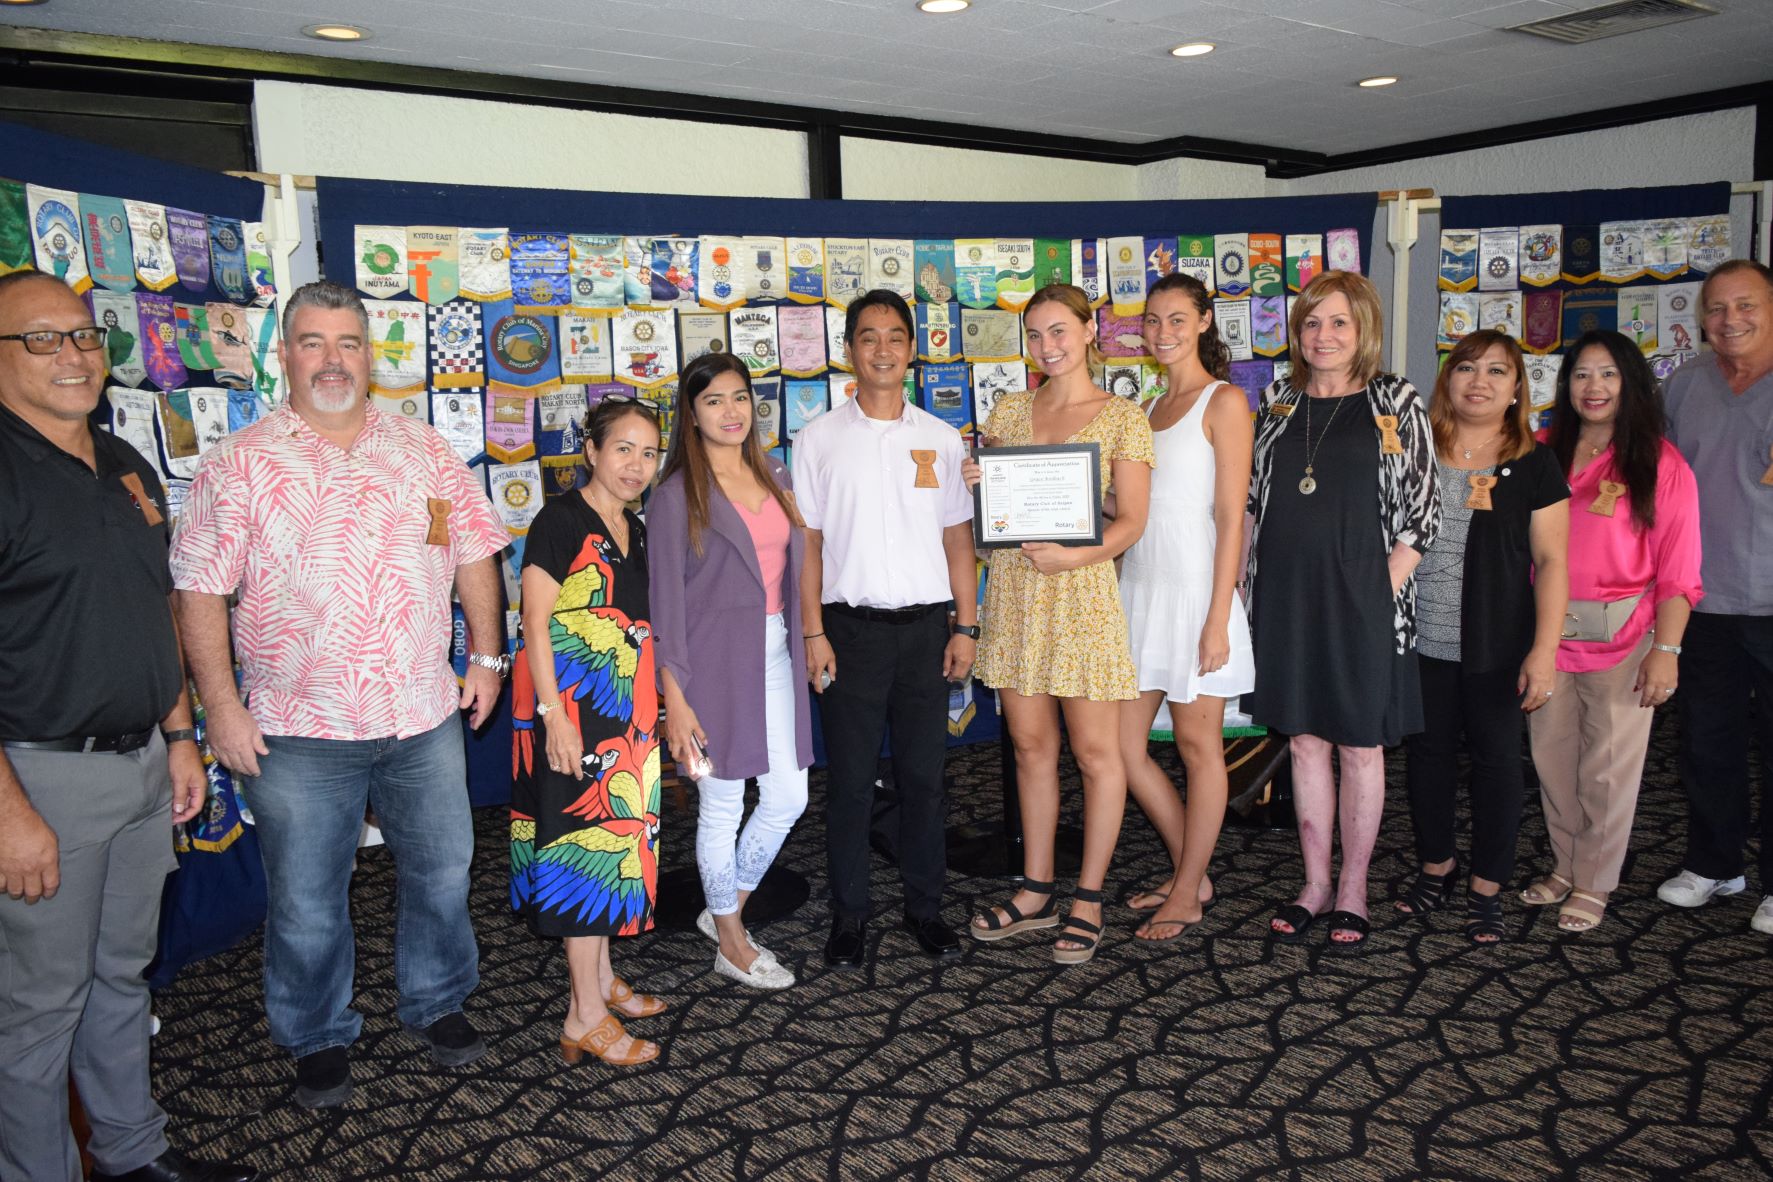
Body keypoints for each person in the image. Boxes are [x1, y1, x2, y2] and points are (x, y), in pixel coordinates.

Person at [171, 281, 510, 1109]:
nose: (332, 360)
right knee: (308, 899)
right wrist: (220, 707)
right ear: (284, 354)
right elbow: (198, 592)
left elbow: (470, 550)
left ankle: (437, 1001)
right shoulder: (240, 462)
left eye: (349, 343)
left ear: (370, 354)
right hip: (296, 726)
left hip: (420, 712)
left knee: (441, 873)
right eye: (314, 342)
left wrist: (489, 658)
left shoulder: (424, 450)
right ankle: (316, 1032)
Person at [0, 271, 256, 1182]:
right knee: (39, 1009)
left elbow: (154, 612)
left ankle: (133, 1156)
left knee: (121, 979)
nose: (72, 355)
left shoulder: (128, 467)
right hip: (39, 781)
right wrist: (9, 812)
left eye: (82, 337)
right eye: (40, 339)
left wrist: (181, 735)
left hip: (146, 766)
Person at [1245, 270, 1439, 955]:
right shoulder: (1275, 400)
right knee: (1301, 740)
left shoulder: (1393, 400)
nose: (1321, 336)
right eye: (1310, 324)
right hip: (1286, 600)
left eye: (1337, 323)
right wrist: (1242, 580)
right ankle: (1314, 883)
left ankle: (1353, 886)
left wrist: (1376, 590)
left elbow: (1423, 513)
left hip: (1365, 604)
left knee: (1359, 746)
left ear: (1362, 331)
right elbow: (1251, 499)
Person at [968, 282, 1154, 966]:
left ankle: (1089, 898)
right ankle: (1035, 890)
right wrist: (979, 488)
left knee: (1097, 753)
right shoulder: (1009, 412)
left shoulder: (1121, 417)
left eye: (1059, 331)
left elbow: (1130, 522)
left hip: (1079, 597)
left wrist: (1078, 553)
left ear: (1087, 332)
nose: (1047, 346)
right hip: (1018, 593)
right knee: (1028, 749)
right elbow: (997, 525)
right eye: (1036, 335)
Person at [792, 289, 978, 970]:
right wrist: (812, 633)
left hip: (928, 632)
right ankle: (849, 917)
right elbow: (806, 547)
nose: (881, 350)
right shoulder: (817, 439)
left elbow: (958, 540)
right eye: (867, 337)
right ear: (848, 350)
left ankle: (924, 909)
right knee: (848, 784)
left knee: (926, 781)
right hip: (848, 635)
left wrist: (968, 626)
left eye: (895, 337)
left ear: (911, 350)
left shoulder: (938, 436)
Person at [1395, 330, 1569, 945]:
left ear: (1517, 387)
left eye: (1498, 372)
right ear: (1448, 379)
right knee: (1428, 757)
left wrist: (1543, 652)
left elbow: (1551, 564)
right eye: (1467, 368)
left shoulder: (1535, 461)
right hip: (1419, 639)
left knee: (1497, 763)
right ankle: (1437, 865)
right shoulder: (1417, 448)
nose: (1480, 382)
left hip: (1497, 644)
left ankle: (1487, 885)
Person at [1524, 330, 1701, 933]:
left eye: (1608, 375)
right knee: (1552, 758)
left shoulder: (1659, 462)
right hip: (1546, 632)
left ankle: (1596, 880)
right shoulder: (1540, 449)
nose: (1592, 388)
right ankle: (1567, 863)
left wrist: (1667, 650)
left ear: (1631, 383)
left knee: (1607, 765)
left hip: (1624, 636)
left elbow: (1680, 569)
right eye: (1580, 375)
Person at [511, 397, 667, 1066]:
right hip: (573, 716)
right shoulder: (560, 520)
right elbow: (535, 621)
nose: (636, 463)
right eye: (623, 448)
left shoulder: (634, 525)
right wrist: (552, 717)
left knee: (616, 849)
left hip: (624, 719)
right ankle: (581, 1015)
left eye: (648, 452)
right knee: (586, 847)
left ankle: (599, 980)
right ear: (592, 452)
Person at [649, 353, 810, 991]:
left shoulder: (773, 472)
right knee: (721, 803)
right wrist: (676, 698)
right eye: (713, 400)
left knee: (788, 796)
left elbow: (793, 567)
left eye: (739, 397)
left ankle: (725, 912)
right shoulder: (672, 497)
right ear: (690, 414)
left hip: (775, 653)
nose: (731, 411)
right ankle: (732, 941)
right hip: (707, 668)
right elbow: (665, 603)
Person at [1118, 272, 1255, 942]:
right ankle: (1188, 873)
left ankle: (1189, 890)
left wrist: (1216, 615)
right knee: (1121, 748)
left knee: (1200, 747)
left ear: (1203, 322)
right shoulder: (1145, 408)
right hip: (1139, 591)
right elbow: (1134, 512)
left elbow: (1232, 517)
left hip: (1199, 595)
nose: (1162, 332)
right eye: (1151, 320)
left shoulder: (1223, 402)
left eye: (1176, 319)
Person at [1658, 258, 1773, 936]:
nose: (1729, 319)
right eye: (1716, 307)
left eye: (1746, 305)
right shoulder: (1684, 385)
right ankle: (1713, 863)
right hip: (1702, 602)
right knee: (1706, 740)